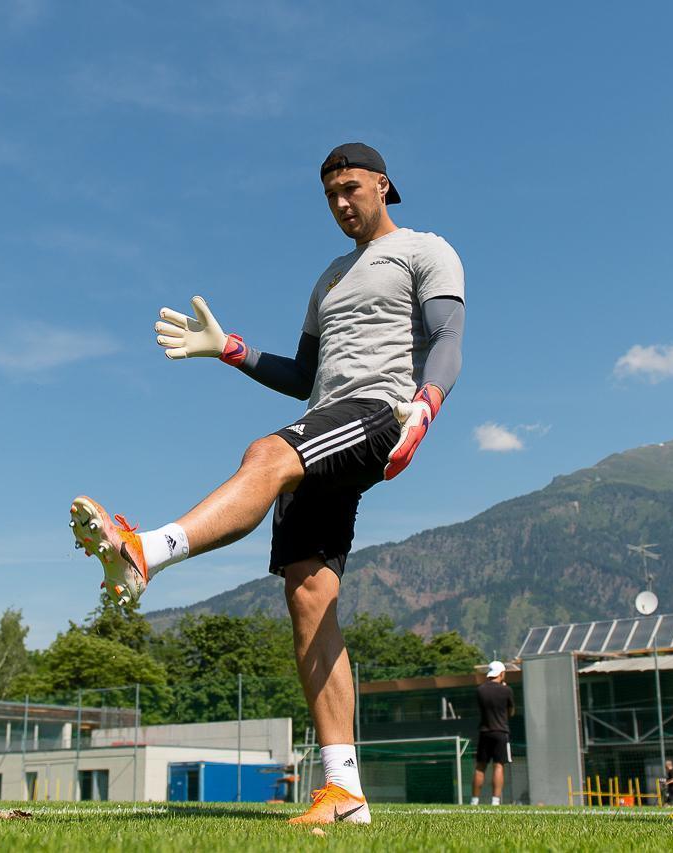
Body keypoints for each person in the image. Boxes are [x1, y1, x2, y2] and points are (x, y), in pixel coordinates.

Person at [69, 142, 464, 825]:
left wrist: (426, 405)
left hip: (381, 411)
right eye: (330, 194)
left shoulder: (425, 250)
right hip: (325, 420)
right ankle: (344, 793)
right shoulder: (328, 280)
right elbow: (305, 376)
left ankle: (146, 551)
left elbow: (449, 336)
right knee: (309, 598)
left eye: (351, 187)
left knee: (265, 453)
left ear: (383, 184)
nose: (340, 202)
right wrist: (232, 350)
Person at [471, 661, 515, 806]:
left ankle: (474, 800)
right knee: (498, 765)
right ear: (501, 673)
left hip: (485, 731)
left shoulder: (480, 690)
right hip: (501, 732)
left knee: (480, 766)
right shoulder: (507, 690)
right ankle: (495, 801)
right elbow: (511, 711)